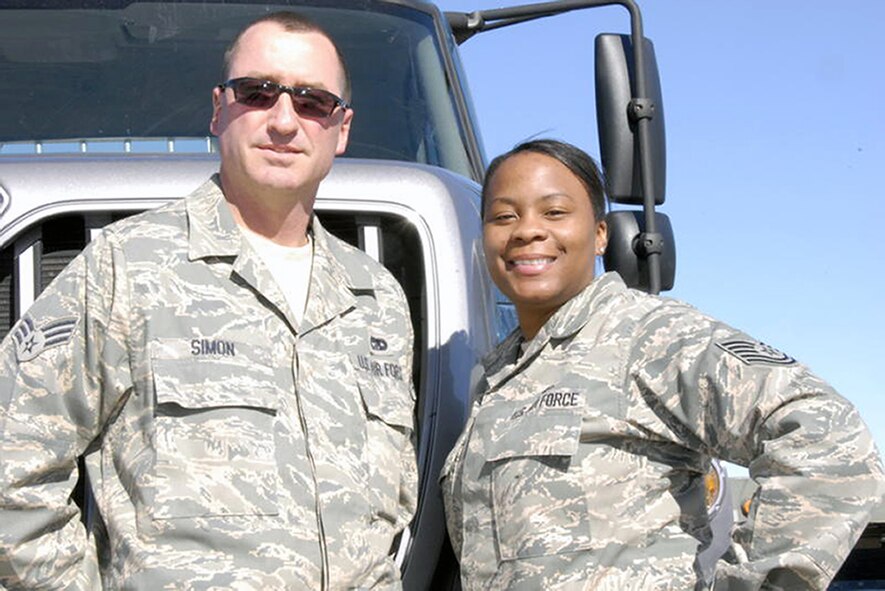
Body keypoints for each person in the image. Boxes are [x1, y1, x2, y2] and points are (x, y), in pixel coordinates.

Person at [0, 12, 417, 590]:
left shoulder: (377, 298)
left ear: (340, 128)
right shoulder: (128, 266)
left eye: (312, 102)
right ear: (219, 109)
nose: (283, 120)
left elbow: (393, 510)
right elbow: (11, 466)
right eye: (258, 93)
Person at [440, 139, 885, 590]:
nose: (527, 231)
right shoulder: (499, 376)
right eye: (504, 217)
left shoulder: (647, 335)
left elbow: (827, 434)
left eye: (554, 212)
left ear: (600, 235)